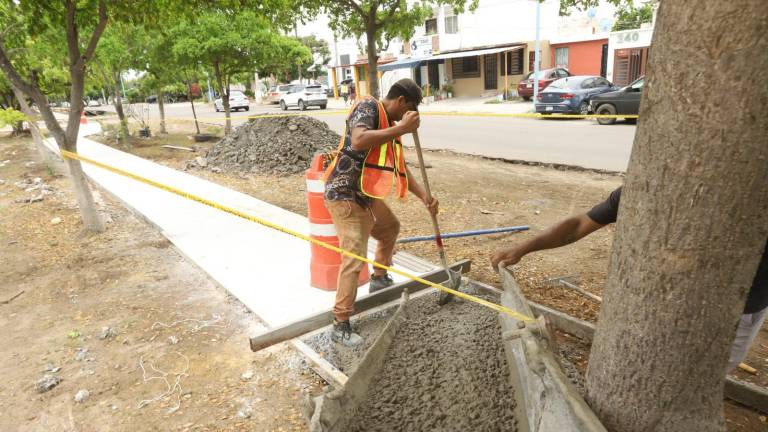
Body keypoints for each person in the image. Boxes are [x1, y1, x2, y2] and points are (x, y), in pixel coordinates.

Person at [490, 186, 768, 371]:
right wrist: (522, 248)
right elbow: (578, 226)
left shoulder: (750, 189)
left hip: (739, 310)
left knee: (707, 373)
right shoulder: (648, 184)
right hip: (667, 306)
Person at [323, 78, 438, 346]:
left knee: (389, 228)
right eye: (409, 108)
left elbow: (401, 170)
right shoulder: (368, 106)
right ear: (400, 101)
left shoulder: (390, 126)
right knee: (353, 258)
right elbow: (359, 139)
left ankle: (379, 277)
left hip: (365, 193)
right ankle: (340, 323)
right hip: (344, 193)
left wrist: (425, 197)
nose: (410, 115)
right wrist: (401, 129)